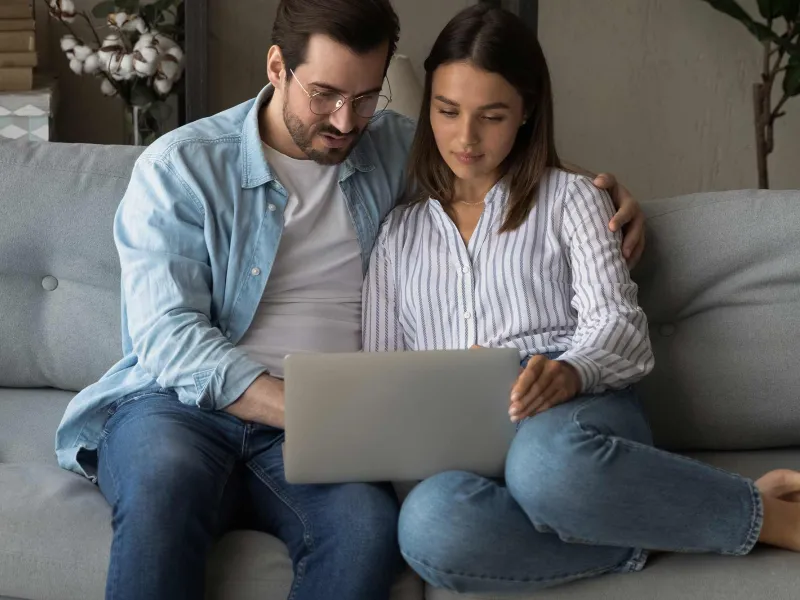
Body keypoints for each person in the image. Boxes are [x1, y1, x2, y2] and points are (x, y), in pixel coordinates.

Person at [55, 1, 645, 598]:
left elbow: (489, 158)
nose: (345, 121)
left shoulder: (391, 146)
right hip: (178, 409)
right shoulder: (181, 167)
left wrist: (600, 191)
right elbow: (167, 335)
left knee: (365, 530)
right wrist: (304, 408)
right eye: (325, 94)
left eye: (366, 98)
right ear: (277, 66)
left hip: (326, 428)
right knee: (164, 485)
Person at [363, 3, 800, 596]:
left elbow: (619, 327)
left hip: (573, 414)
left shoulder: (571, 199)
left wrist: (570, 372)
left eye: (491, 116)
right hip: (462, 439)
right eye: (447, 111)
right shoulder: (398, 236)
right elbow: (382, 379)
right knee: (428, 525)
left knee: (546, 466)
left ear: (525, 114)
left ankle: (773, 520)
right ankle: (680, 519)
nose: (465, 137)